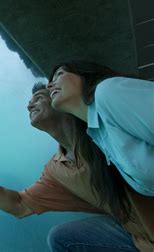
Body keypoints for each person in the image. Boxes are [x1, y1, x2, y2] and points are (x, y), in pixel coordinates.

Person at [0, 83, 154, 251]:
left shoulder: (100, 129)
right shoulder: (56, 169)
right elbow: (18, 206)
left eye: (38, 98)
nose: (29, 106)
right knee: (61, 238)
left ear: (58, 100)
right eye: (29, 103)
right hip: (140, 238)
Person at [47, 60, 154, 196]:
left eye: (60, 74)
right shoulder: (96, 134)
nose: (49, 85)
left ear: (84, 74)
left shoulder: (108, 92)